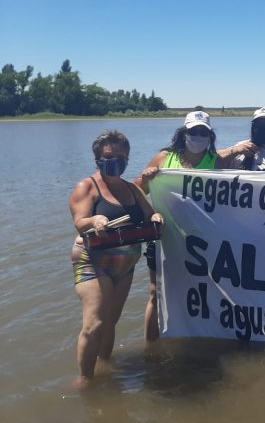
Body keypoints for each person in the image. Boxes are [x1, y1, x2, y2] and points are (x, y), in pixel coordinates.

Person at [135, 111, 242, 342]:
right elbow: (137, 192)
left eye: (203, 132)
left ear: (210, 136)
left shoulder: (217, 161)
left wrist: (238, 148)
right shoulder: (164, 158)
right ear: (184, 133)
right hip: (165, 238)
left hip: (202, 242)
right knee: (156, 293)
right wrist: (146, 179)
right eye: (193, 131)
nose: (198, 136)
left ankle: (195, 339)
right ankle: (150, 347)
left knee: (203, 290)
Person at [69, 131, 164, 382]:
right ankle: (85, 380)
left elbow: (149, 213)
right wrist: (95, 219)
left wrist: (155, 217)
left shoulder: (132, 189)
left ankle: (104, 367)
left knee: (111, 321)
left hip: (125, 266)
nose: (116, 161)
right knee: (95, 324)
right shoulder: (87, 186)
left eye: (122, 156)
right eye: (109, 156)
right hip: (94, 262)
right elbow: (80, 222)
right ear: (98, 158)